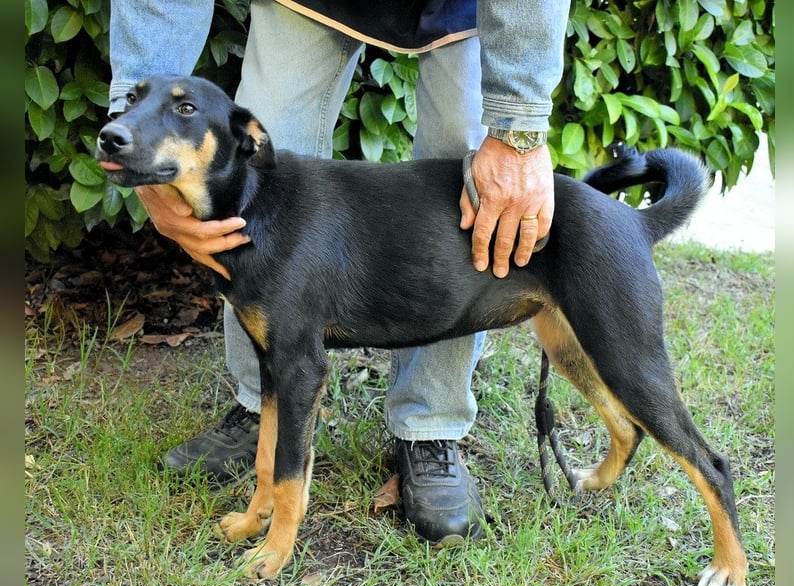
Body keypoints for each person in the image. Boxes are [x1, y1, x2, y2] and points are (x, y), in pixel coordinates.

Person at [108, 0, 569, 546]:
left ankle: (429, 426)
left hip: (461, 7)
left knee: (462, 182)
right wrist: (135, 143)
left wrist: (516, 122)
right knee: (262, 176)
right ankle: (266, 406)